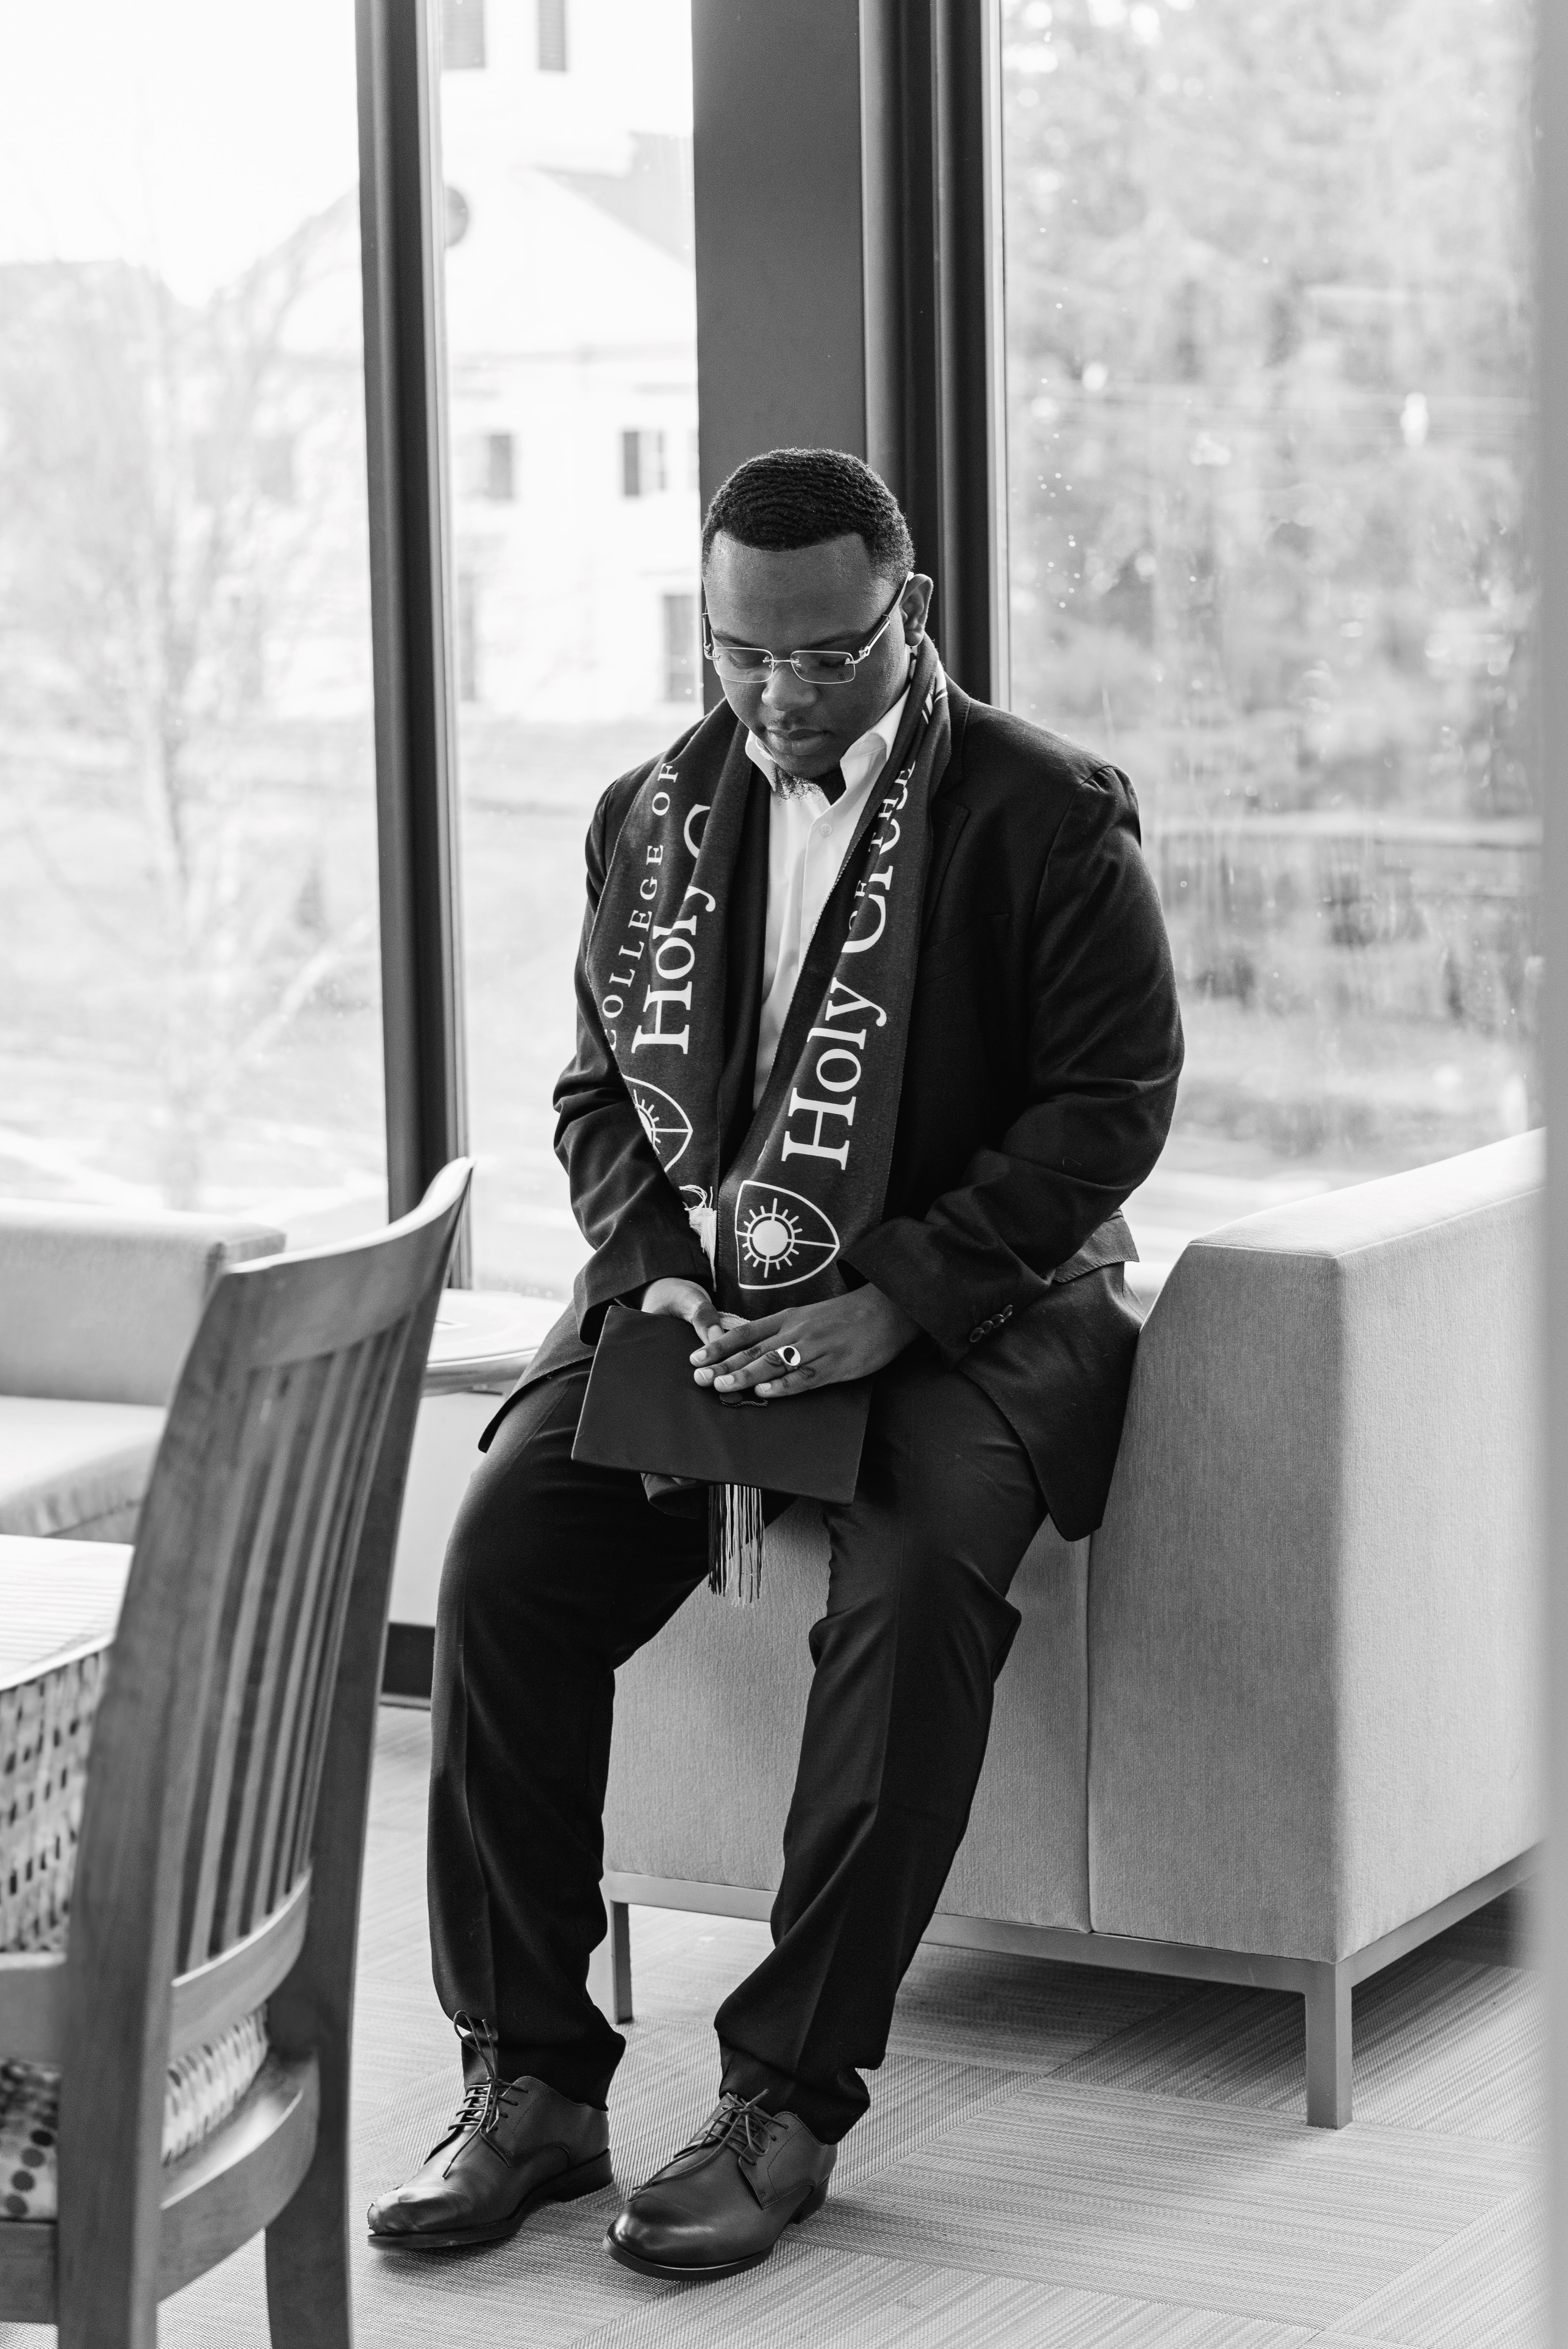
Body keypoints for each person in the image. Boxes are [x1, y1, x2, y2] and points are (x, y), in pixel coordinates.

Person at [367, 447, 1183, 2281]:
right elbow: (597, 1094)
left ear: (907, 613)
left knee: (905, 1599)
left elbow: (1107, 1106)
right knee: (503, 1558)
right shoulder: (643, 813)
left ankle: (786, 2098)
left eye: (825, 654)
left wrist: (894, 1293)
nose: (782, 691)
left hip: (956, 1308)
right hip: (699, 1302)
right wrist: (654, 1277)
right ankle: (534, 2080)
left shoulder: (1046, 813)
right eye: (744, 654)